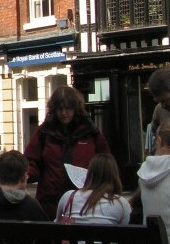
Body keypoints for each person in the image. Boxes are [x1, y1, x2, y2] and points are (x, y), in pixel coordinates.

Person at [25, 85, 110, 220]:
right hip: (50, 201)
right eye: (60, 109)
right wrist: (25, 176)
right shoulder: (45, 132)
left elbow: (105, 161)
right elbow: (32, 160)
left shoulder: (90, 131)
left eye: (68, 108)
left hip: (83, 200)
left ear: (76, 109)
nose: (64, 113)